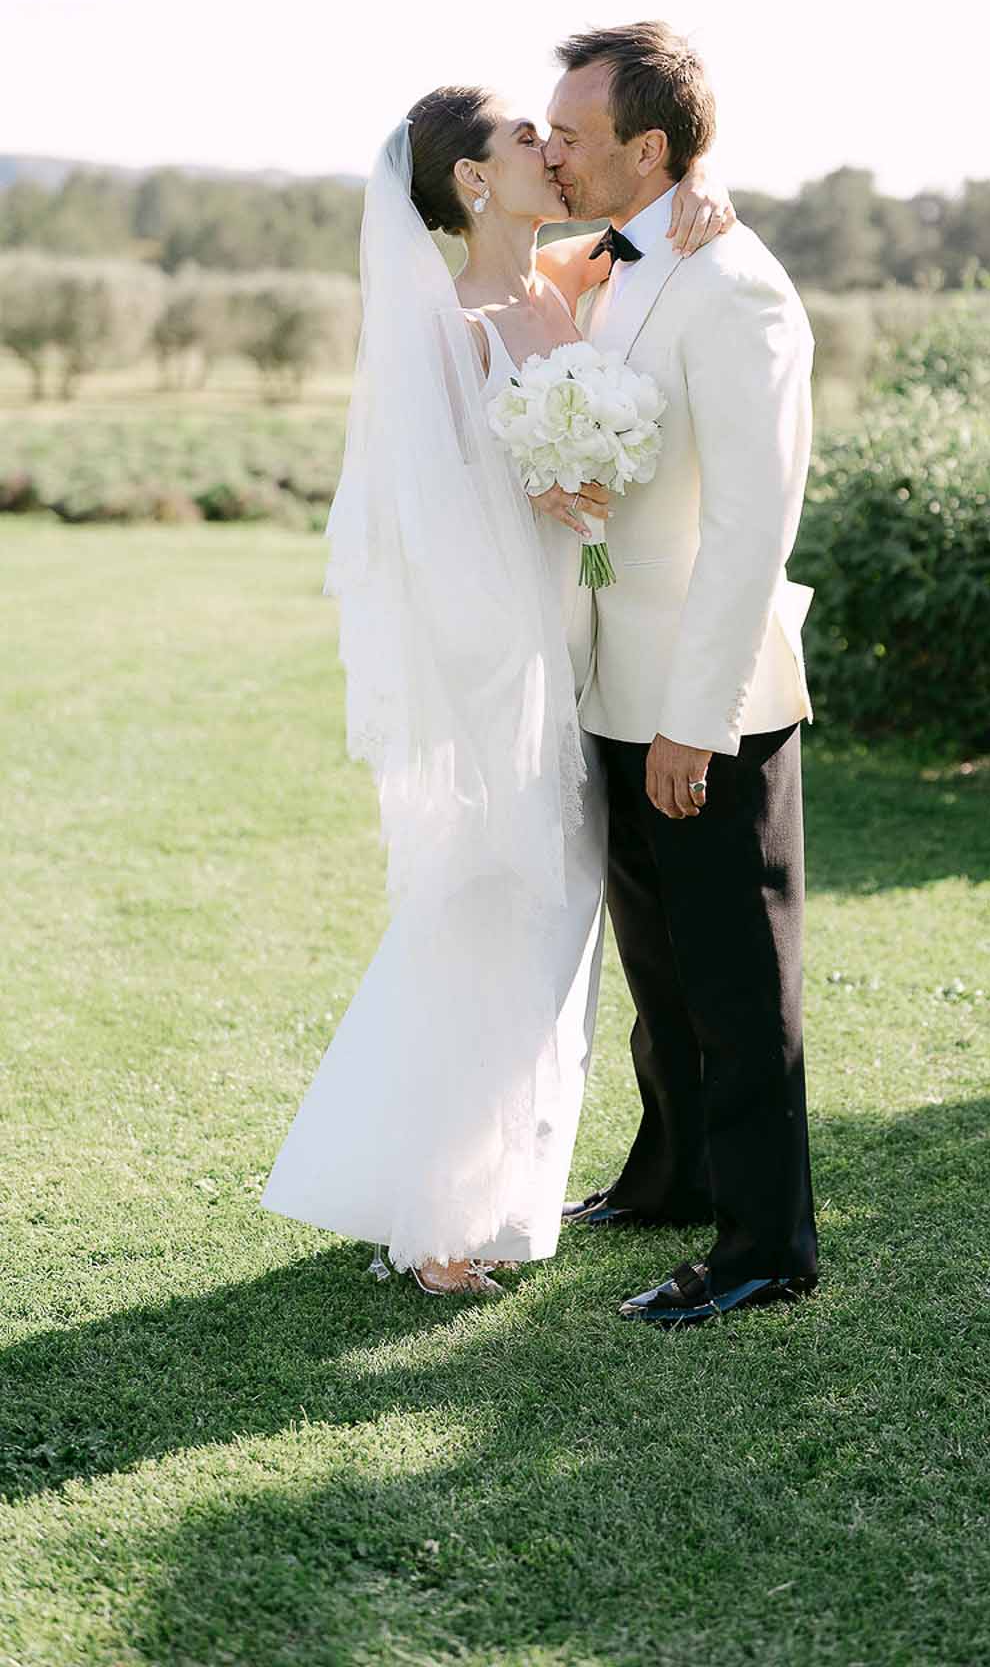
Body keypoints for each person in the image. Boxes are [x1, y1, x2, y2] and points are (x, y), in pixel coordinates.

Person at [260, 85, 732, 1297]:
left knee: (552, 916)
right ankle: (438, 1223)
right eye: (525, 137)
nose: (548, 147)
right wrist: (538, 504)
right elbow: (426, 520)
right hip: (498, 660)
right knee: (490, 912)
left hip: (578, 647)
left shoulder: (553, 285)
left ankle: (473, 1191)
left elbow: (650, 237)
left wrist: (709, 198)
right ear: (473, 180)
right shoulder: (452, 323)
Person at [546, 22, 820, 1328]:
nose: (550, 150)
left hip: (703, 703)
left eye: (572, 134)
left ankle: (766, 1247)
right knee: (658, 965)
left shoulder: (737, 287)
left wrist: (693, 724)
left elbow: (750, 528)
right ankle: (669, 1177)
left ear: (647, 147)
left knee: (732, 977)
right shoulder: (624, 260)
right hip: (613, 680)